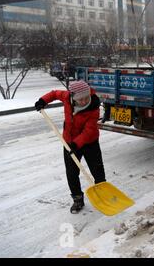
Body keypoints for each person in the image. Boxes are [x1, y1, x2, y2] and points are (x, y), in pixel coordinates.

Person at [34, 80, 106, 214]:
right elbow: (54, 94)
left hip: (90, 142)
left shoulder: (94, 106)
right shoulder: (66, 96)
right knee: (72, 173)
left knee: (97, 169)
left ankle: (103, 195)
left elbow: (89, 130)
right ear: (73, 97)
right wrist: (43, 100)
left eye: (86, 97)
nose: (84, 101)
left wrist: (76, 144)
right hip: (69, 141)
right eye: (80, 99)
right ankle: (77, 199)